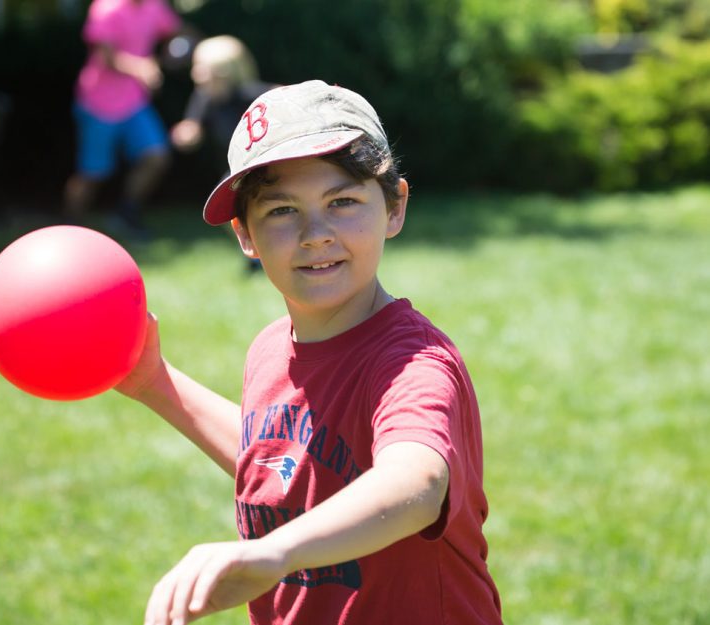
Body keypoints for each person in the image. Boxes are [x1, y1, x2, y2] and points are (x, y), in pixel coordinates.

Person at [115, 80, 502, 624]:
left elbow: (417, 482)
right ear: (244, 235)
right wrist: (156, 383)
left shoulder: (412, 362)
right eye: (281, 211)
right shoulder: (271, 348)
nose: (315, 233)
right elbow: (283, 459)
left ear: (394, 207)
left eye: (342, 202)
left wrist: (276, 550)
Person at [64, 0, 181, 239]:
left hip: (134, 102)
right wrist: (141, 68)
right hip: (98, 103)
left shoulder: (154, 5)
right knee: (92, 174)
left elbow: (176, 31)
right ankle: (69, 229)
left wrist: (200, 45)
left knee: (157, 156)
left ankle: (125, 214)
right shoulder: (106, 8)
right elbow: (106, 56)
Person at [170, 35, 276, 272]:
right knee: (231, 213)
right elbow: (193, 126)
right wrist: (187, 133)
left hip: (260, 163)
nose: (196, 75)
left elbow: (277, 96)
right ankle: (256, 255)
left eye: (203, 70)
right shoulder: (205, 98)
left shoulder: (249, 95)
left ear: (225, 73)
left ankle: (263, 255)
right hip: (234, 167)